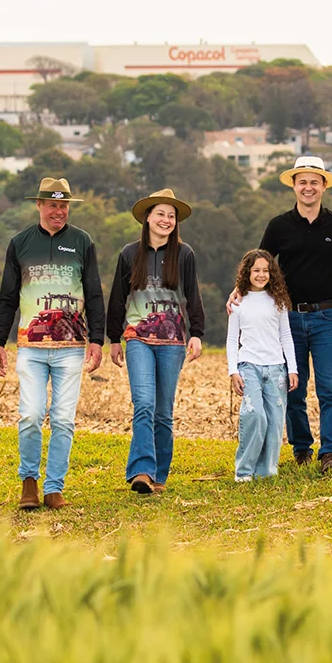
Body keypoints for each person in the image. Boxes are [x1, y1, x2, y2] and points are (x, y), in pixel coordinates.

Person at [0, 177, 104, 511]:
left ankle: (54, 487)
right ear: (39, 205)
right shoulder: (20, 243)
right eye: (53, 205)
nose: (59, 211)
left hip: (71, 347)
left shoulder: (82, 241)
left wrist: (97, 339)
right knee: (30, 414)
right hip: (31, 347)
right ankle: (29, 482)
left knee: (63, 419)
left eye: (64, 205)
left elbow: (94, 293)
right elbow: (8, 297)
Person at [253, 155, 332, 473]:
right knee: (293, 387)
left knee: (331, 390)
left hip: (328, 318)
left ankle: (330, 453)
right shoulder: (279, 225)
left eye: (314, 182)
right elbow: (260, 263)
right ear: (294, 185)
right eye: (302, 181)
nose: (308, 187)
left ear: (324, 186)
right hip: (288, 318)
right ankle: (301, 447)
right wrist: (242, 292)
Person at [106, 189, 205, 494]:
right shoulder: (129, 254)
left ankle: (159, 475)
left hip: (172, 342)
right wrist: (113, 338)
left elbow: (193, 295)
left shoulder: (184, 254)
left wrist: (197, 333)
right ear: (147, 217)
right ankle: (141, 471)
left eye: (171, 216)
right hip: (138, 338)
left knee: (163, 412)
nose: (166, 220)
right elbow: (118, 298)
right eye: (160, 214)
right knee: (144, 404)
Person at [224, 249, 297, 482]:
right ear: (247, 272)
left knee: (275, 421)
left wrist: (292, 368)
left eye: (266, 270)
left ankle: (266, 472)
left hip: (276, 368)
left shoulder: (278, 301)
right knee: (254, 415)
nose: (261, 275)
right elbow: (232, 339)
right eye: (256, 270)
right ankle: (244, 471)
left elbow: (286, 335)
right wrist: (233, 370)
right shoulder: (238, 303)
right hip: (249, 366)